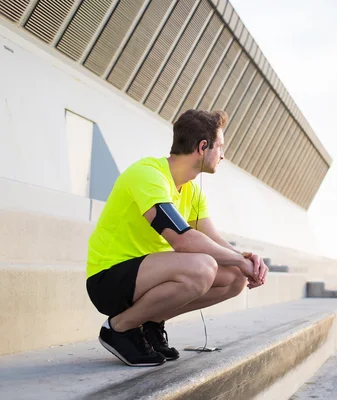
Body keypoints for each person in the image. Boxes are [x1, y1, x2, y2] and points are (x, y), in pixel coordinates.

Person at [86, 109, 268, 367]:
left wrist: (246, 260)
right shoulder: (149, 175)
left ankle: (149, 322)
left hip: (148, 275)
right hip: (109, 278)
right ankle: (119, 328)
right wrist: (240, 260)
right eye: (220, 147)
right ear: (203, 146)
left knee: (234, 279)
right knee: (202, 267)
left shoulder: (192, 191)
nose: (223, 155)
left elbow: (213, 239)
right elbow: (182, 240)